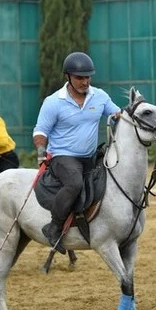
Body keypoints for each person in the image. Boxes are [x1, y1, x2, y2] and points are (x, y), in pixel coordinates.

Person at [32, 51, 121, 253]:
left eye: (88, 77)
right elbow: (40, 131)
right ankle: (54, 227)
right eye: (80, 78)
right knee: (75, 183)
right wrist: (40, 151)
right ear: (68, 77)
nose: (85, 81)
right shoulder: (53, 102)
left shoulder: (100, 97)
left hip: (90, 156)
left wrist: (129, 114)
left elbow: (117, 115)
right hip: (63, 156)